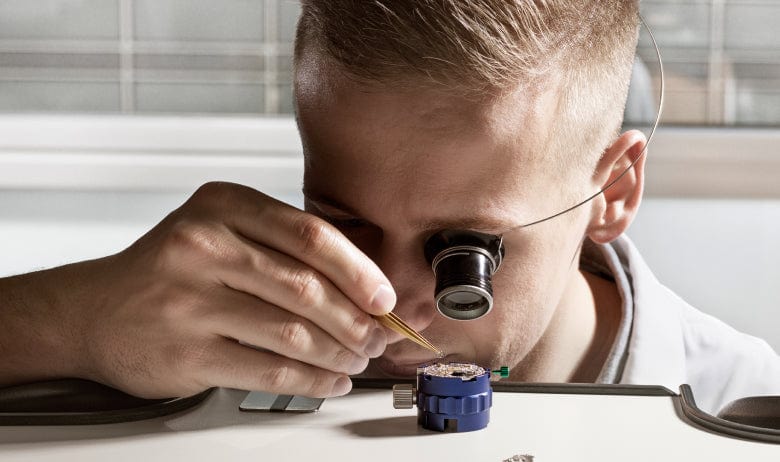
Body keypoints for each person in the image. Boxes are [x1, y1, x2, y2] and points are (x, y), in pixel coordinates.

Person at [0, 0, 777, 414]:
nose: (385, 305)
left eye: (459, 253)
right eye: (346, 227)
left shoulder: (741, 413)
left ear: (612, 193)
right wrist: (71, 322)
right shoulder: (186, 342)